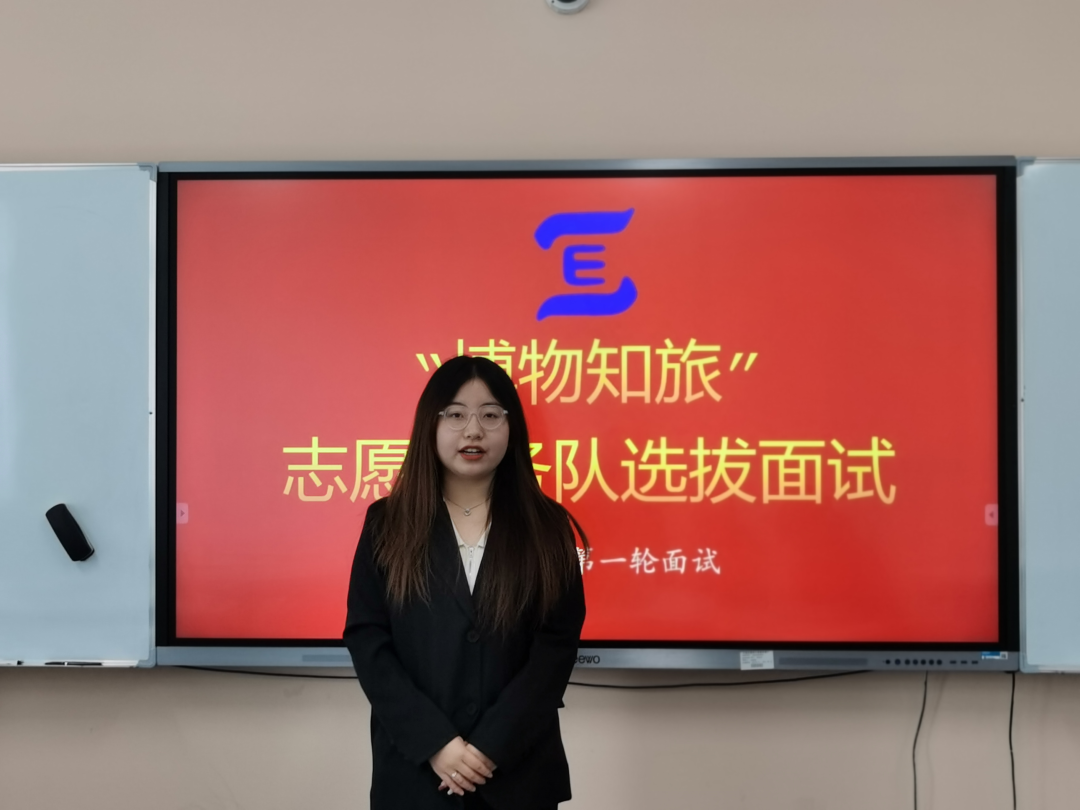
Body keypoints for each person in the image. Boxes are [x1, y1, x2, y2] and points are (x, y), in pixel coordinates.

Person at [344, 355, 588, 810]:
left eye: (490, 415)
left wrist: (492, 745)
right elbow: (368, 638)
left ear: (511, 428)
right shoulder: (387, 524)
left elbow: (556, 647)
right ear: (430, 425)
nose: (473, 430)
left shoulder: (547, 527)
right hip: (416, 777)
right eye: (455, 415)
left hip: (519, 779)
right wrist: (436, 743)